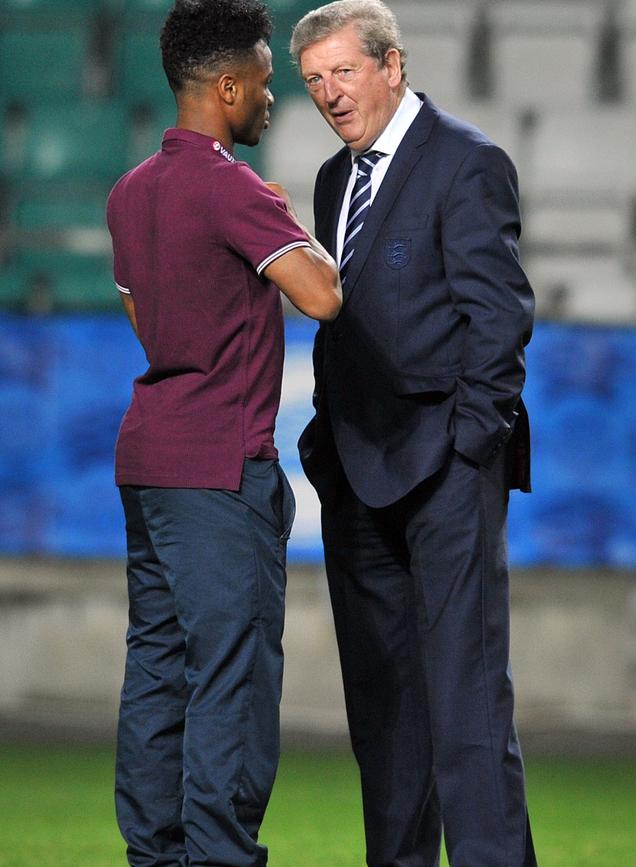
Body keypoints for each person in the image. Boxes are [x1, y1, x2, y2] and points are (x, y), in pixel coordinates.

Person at [290, 2, 537, 865]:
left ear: (393, 65)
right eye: (314, 79)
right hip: (357, 480)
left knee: (466, 707)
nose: (329, 93)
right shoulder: (332, 181)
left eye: (344, 71)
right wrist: (328, 448)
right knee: (385, 716)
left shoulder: (467, 162)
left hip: (446, 475)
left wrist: (468, 449)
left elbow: (499, 322)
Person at [106, 1, 341, 864]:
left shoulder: (130, 191)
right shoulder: (233, 188)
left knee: (158, 669)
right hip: (219, 470)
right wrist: (285, 228)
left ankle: (155, 854)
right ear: (227, 86)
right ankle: (219, 855)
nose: (274, 101)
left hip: (149, 460)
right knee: (232, 678)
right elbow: (323, 296)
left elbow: (144, 316)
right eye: (269, 84)